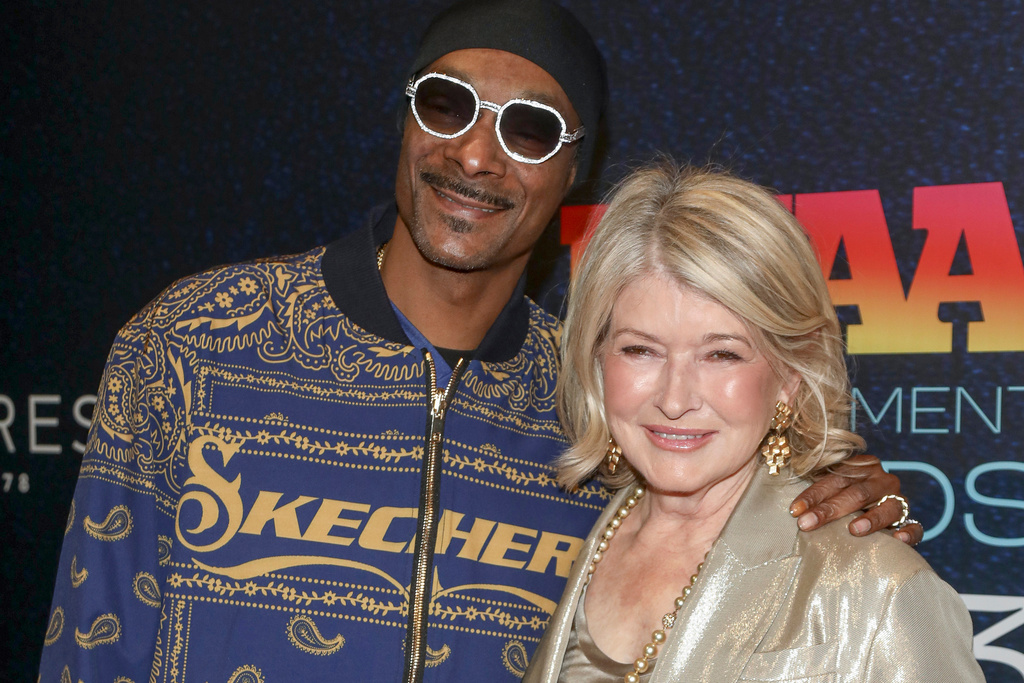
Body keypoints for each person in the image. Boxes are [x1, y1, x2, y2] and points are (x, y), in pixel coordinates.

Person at [39, 2, 918, 681]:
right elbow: (93, 639)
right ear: (406, 119)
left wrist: (829, 496)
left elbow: (726, 519)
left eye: (527, 128)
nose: (473, 156)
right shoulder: (197, 341)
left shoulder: (592, 409)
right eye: (448, 104)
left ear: (572, 170)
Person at [523, 162, 982, 682]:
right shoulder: (563, 523)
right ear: (597, 359)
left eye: (722, 355)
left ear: (789, 374)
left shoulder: (876, 589)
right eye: (640, 350)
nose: (675, 399)